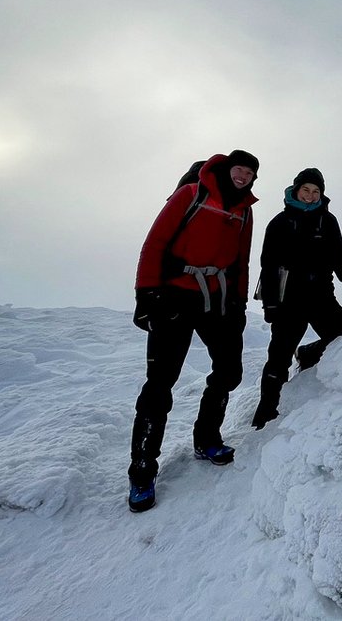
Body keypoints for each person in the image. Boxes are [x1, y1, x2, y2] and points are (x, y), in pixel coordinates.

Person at [127, 149, 260, 513]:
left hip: (215, 300)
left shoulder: (245, 211)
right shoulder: (191, 194)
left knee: (230, 370)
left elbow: (241, 261)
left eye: (250, 173)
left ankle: (206, 438)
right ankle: (142, 470)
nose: (243, 176)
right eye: (239, 169)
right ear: (227, 169)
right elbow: (154, 243)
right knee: (160, 384)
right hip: (172, 296)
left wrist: (238, 303)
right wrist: (146, 294)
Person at [250, 168, 342, 430]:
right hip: (289, 300)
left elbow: (336, 255)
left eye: (316, 192)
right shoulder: (280, 222)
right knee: (278, 358)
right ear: (296, 190)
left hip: (321, 294)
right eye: (306, 190)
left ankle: (309, 352)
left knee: (341, 340)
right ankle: (265, 413)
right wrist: (271, 304)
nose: (311, 196)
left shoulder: (328, 220)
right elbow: (268, 266)